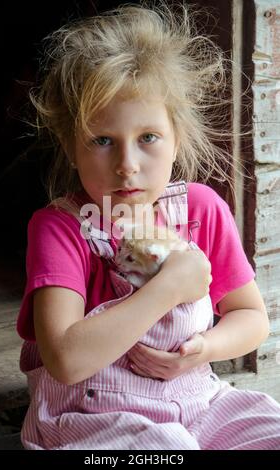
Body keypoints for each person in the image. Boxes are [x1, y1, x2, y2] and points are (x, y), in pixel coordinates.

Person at [17, 1, 280, 450]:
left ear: (177, 137)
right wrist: (169, 287)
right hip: (92, 415)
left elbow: (251, 318)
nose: (127, 166)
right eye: (102, 141)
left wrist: (205, 350)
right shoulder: (59, 228)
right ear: (70, 144)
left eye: (148, 138)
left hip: (198, 400)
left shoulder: (201, 209)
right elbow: (66, 359)